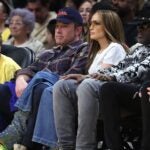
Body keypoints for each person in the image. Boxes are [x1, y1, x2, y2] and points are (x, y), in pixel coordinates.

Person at [0, 7, 88, 150]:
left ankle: (24, 140)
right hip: (29, 92)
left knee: (41, 83)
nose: (58, 30)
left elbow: (71, 76)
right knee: (2, 90)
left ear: (78, 30)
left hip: (54, 92)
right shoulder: (48, 52)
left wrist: (40, 79)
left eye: (64, 26)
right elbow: (28, 69)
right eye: (57, 26)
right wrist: (21, 78)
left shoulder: (83, 49)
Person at [53, 9, 127, 150]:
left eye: (96, 23)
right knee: (61, 86)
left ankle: (83, 146)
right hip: (91, 92)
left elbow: (103, 75)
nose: (91, 27)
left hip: (109, 97)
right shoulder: (97, 52)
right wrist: (84, 77)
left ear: (108, 26)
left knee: (86, 85)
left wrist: (85, 77)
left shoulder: (115, 48)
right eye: (90, 23)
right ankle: (65, 145)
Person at [97, 11, 150, 150]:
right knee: (108, 88)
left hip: (146, 91)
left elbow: (143, 67)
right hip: (137, 92)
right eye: (138, 26)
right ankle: (114, 146)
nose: (139, 29)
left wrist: (114, 76)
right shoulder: (140, 49)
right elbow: (121, 66)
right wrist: (91, 76)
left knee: (146, 88)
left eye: (144, 26)